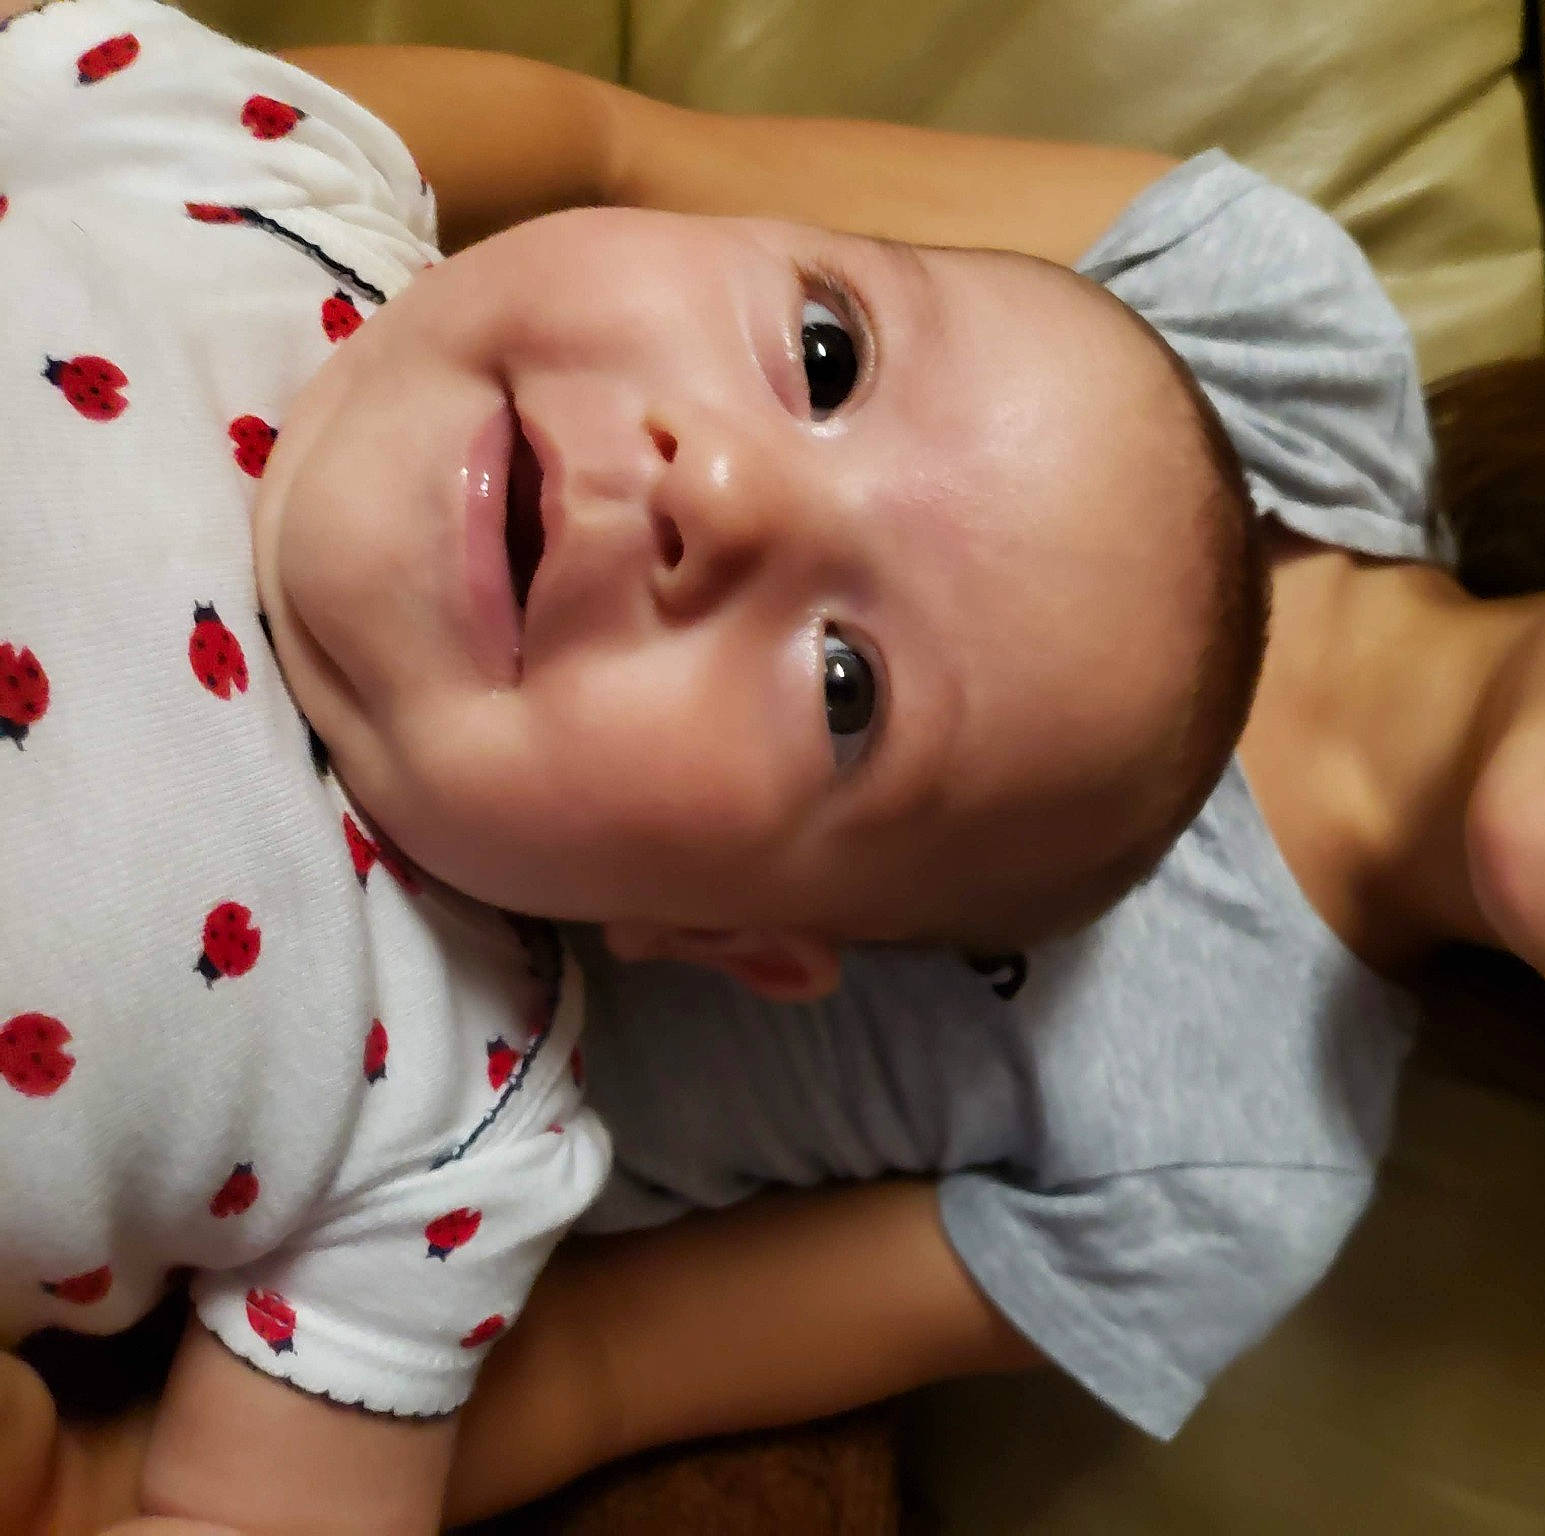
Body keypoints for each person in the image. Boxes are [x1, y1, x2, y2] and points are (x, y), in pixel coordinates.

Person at [216, 37, 1545, 1532]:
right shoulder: (1268, 315)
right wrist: (175, 127)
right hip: (256, 462)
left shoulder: (1234, 1183)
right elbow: (608, 150)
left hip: (221, 1089)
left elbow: (601, 1365)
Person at [0, 2, 1270, 1531]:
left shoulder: (454, 1141)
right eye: (824, 354)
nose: (725, 492)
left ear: (721, 934)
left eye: (847, 687)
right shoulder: (259, 167)